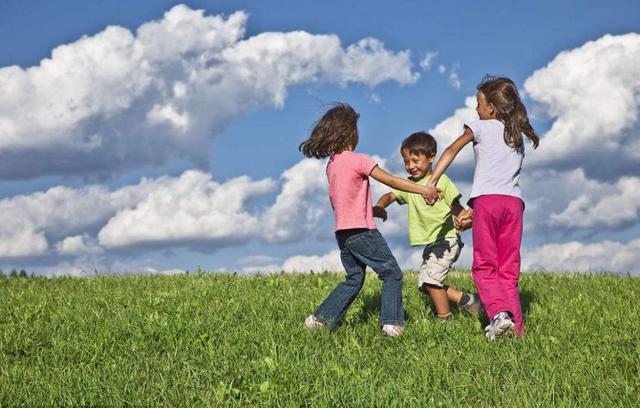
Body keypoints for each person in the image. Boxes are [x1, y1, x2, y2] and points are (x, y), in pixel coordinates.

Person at [301, 103, 439, 337]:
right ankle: (392, 324)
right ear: (349, 132)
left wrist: (373, 209)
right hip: (362, 231)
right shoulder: (359, 160)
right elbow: (392, 181)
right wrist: (424, 190)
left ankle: (320, 320)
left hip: (343, 233)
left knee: (354, 279)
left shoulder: (332, 165)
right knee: (392, 273)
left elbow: (347, 197)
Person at [424, 76, 539, 340]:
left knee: (484, 267)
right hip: (513, 204)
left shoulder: (481, 127)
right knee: (508, 270)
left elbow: (451, 150)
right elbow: (499, 180)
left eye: (479, 103)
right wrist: (472, 211)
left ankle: (498, 315)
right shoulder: (516, 135)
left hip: (488, 202)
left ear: (491, 109)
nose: (476, 109)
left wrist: (432, 181)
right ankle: (517, 332)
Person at [373, 132, 480, 321]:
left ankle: (444, 319)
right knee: (425, 284)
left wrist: (465, 220)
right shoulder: (410, 186)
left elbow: (458, 209)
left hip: (447, 240)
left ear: (431, 157)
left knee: (431, 280)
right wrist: (380, 207)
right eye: (406, 161)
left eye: (415, 160)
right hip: (432, 245)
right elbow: (390, 195)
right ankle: (468, 301)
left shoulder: (442, 181)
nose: (410, 166)